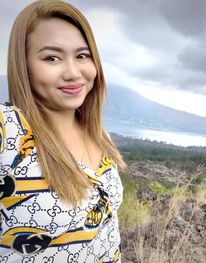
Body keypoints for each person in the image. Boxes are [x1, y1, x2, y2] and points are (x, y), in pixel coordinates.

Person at [0, 0, 125, 262]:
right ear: (25, 66)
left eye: (82, 55)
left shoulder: (101, 136)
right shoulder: (8, 130)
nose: (73, 73)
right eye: (52, 58)